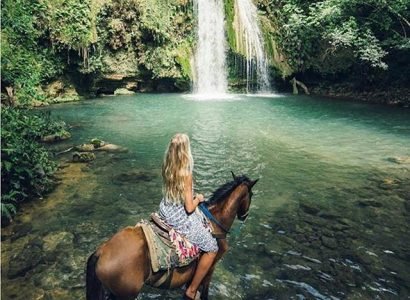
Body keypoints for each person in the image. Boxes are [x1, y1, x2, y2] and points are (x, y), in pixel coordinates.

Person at [159, 133, 218, 300]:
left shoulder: (166, 166)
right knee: (212, 247)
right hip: (179, 217)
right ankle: (191, 290)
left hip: (165, 208)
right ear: (185, 151)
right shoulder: (186, 174)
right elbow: (189, 208)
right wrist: (198, 198)